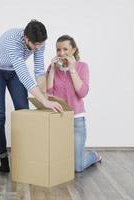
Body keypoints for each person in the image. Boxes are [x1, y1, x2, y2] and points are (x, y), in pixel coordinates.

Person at [0, 20, 63, 173]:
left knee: (23, 111)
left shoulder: (40, 43)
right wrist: (44, 102)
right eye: (35, 44)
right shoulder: (12, 40)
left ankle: (25, 156)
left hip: (14, 72)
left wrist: (43, 97)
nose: (38, 47)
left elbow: (39, 71)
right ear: (26, 38)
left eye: (40, 44)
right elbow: (24, 75)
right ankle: (3, 158)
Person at [46, 35, 102, 172]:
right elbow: (49, 94)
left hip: (77, 120)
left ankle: (93, 155)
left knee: (77, 167)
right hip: (58, 119)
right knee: (58, 162)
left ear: (74, 50)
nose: (61, 53)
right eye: (58, 50)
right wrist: (52, 70)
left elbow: (82, 92)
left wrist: (72, 69)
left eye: (65, 49)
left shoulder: (82, 67)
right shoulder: (53, 68)